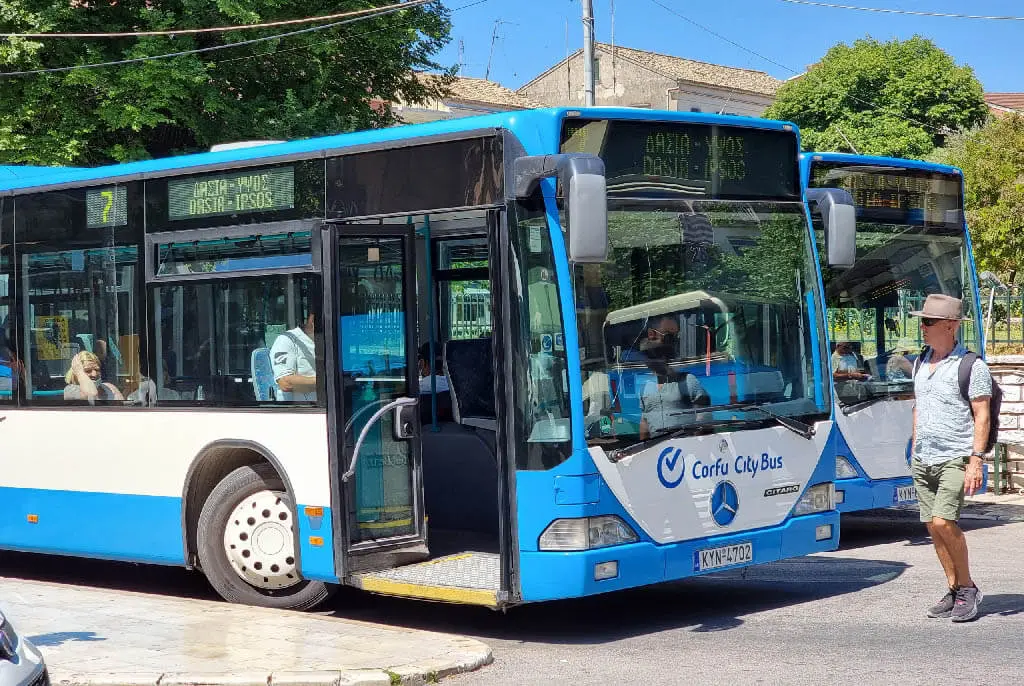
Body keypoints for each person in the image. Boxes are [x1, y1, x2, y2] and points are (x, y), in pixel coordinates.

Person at [910, 294, 992, 622]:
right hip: (923, 459)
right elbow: (919, 408)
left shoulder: (971, 366)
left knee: (945, 521)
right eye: (922, 320)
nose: (923, 327)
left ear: (950, 325)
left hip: (955, 457)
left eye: (929, 322)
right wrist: (915, 448)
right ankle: (954, 587)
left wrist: (976, 460)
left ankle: (969, 588)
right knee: (933, 526)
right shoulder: (920, 361)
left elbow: (982, 415)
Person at [637, 316, 710, 440]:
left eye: (676, 338)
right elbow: (644, 422)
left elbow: (704, 419)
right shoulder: (645, 387)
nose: (673, 343)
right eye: (669, 336)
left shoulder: (688, 381)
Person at [270, 311, 317, 402]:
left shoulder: (328, 341)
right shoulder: (286, 340)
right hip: (300, 409)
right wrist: (324, 382)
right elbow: (285, 382)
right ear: (312, 320)